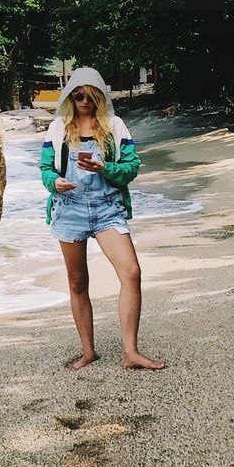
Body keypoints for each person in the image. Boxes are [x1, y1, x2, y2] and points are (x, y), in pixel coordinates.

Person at [40, 66, 165, 371]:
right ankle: (87, 352)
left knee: (131, 272)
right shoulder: (57, 128)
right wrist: (55, 183)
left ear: (99, 95)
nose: (84, 101)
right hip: (69, 209)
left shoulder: (115, 126)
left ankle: (130, 352)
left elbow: (132, 167)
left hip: (108, 206)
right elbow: (45, 170)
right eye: (78, 95)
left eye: (90, 95)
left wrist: (104, 168)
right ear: (70, 96)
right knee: (78, 282)